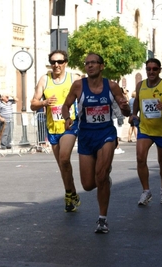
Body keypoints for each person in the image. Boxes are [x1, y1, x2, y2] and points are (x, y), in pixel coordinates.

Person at [62, 53, 130, 233]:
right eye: (87, 63)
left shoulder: (112, 86)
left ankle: (102, 219)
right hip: (85, 136)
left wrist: (125, 107)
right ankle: (105, 179)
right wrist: (67, 118)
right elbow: (65, 105)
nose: (89, 66)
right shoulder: (78, 86)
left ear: (102, 66)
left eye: (93, 63)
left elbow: (126, 111)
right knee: (88, 184)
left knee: (100, 175)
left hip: (106, 133)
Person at [30, 49, 81, 212]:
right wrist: (44, 103)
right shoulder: (45, 80)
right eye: (53, 62)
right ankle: (72, 192)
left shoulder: (74, 79)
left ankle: (68, 195)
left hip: (69, 127)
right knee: (62, 165)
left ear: (65, 63)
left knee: (65, 159)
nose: (56, 65)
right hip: (53, 128)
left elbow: (86, 98)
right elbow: (33, 103)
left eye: (59, 62)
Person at [129, 58, 162, 205]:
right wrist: (134, 115)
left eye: (154, 69)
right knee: (140, 158)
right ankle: (146, 191)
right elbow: (137, 103)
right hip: (145, 129)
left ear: (159, 70)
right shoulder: (140, 85)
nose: (151, 71)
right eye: (149, 69)